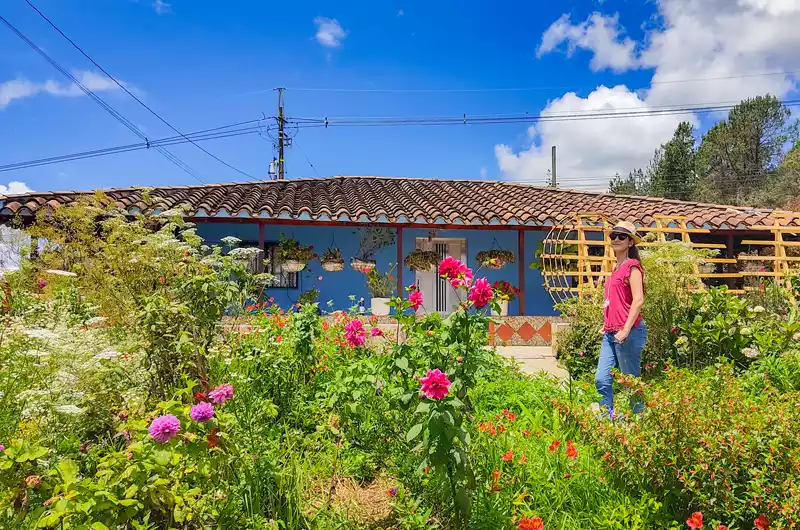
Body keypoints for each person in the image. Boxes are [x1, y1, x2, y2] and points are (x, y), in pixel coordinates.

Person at [595, 220, 647, 418]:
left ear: (631, 242)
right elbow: (614, 301)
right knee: (601, 379)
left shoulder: (632, 267)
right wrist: (605, 324)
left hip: (629, 332)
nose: (616, 239)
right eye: (613, 236)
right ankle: (607, 419)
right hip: (610, 333)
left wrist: (625, 329)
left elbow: (638, 300)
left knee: (630, 382)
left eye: (622, 236)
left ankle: (637, 423)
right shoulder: (615, 269)